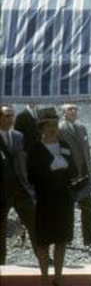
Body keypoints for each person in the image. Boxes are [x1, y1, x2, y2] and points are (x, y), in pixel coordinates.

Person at [27, 107, 77, 286]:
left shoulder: (64, 145)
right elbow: (31, 177)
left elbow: (73, 170)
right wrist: (50, 168)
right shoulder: (35, 149)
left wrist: (66, 167)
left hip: (64, 200)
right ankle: (44, 282)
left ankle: (59, 278)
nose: (53, 128)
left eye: (55, 124)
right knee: (43, 242)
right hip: (45, 200)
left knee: (61, 240)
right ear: (41, 128)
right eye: (48, 125)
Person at [0, 104, 47, 267]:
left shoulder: (18, 136)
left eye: (12, 115)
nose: (10, 119)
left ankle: (43, 259)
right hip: (2, 191)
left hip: (21, 188)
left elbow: (23, 159)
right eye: (7, 116)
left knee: (34, 223)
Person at [58, 103, 91, 247]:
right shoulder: (59, 129)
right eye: (70, 109)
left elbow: (86, 152)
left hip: (83, 175)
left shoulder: (81, 128)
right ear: (63, 112)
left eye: (75, 109)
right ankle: (66, 238)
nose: (73, 111)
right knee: (67, 208)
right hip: (67, 175)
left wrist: (88, 171)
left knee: (88, 205)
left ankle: (89, 238)